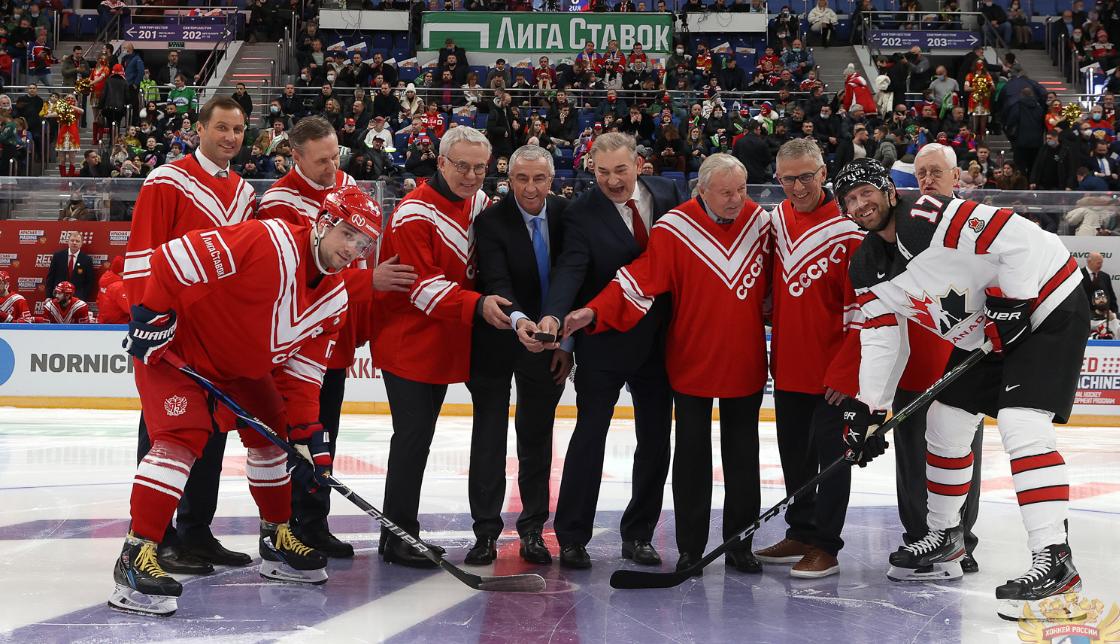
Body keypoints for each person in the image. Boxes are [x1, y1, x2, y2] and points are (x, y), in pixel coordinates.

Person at [835, 157, 1089, 621]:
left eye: (866, 192)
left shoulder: (928, 212)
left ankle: (1057, 563)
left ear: (889, 190)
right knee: (945, 418)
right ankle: (946, 541)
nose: (860, 204)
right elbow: (881, 338)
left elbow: (1018, 240)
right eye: (849, 200)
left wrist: (1012, 303)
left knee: (1021, 423)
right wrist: (869, 410)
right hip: (988, 331)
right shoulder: (866, 264)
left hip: (1049, 304)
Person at [110, 187, 383, 616]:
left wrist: (309, 435)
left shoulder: (334, 300)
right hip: (179, 350)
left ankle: (275, 535)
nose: (353, 249)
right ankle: (135, 552)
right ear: (323, 222)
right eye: (348, 234)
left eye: (363, 243)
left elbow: (302, 378)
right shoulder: (267, 240)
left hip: (241, 368)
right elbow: (172, 259)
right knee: (183, 440)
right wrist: (153, 314)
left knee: (273, 435)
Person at [562, 154, 769, 575]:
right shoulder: (675, 227)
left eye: (741, 190)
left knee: (744, 456)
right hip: (690, 359)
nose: (736, 200)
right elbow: (641, 278)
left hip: (745, 358)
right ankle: (690, 547)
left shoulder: (761, 223)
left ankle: (740, 543)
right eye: (726, 192)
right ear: (701, 190)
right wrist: (594, 311)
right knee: (691, 457)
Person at [256, 116, 418, 557]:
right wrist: (370, 285)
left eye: (336, 156)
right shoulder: (278, 203)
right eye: (322, 160)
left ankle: (314, 521)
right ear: (296, 156)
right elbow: (294, 280)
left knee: (325, 435)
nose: (333, 167)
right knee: (295, 435)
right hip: (297, 340)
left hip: (337, 333)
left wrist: (362, 314)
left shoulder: (345, 184)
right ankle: (285, 527)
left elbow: (360, 257)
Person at [532, 132, 685, 569]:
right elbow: (570, 270)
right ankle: (574, 537)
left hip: (661, 343)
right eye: (602, 172)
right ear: (590, 169)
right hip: (605, 341)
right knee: (589, 438)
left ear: (640, 165)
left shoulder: (669, 192)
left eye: (621, 170)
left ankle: (639, 535)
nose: (612, 180)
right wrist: (556, 319)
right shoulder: (581, 212)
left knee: (655, 440)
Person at [122, 97, 256, 576]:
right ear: (199, 129)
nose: (230, 137)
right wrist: (150, 323)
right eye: (221, 127)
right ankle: (153, 540)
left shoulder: (242, 191)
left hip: (218, 336)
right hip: (171, 333)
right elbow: (141, 256)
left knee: (213, 431)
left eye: (238, 129)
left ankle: (196, 532)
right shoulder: (166, 181)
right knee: (164, 434)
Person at [370, 126, 513, 568]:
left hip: (448, 340)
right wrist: (481, 303)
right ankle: (397, 536)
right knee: (413, 439)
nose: (471, 175)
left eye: (480, 168)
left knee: (419, 438)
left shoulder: (480, 204)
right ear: (442, 163)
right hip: (408, 342)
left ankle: (398, 533)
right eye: (462, 166)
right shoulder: (414, 213)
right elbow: (424, 290)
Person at [750, 139, 863, 578]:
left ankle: (826, 546)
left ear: (823, 173)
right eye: (787, 178)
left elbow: (863, 312)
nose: (797, 186)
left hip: (834, 371)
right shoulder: (777, 220)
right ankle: (801, 529)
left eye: (806, 176)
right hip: (789, 366)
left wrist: (847, 371)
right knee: (794, 456)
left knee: (833, 462)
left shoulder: (850, 230)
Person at [462, 145, 571, 566]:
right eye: (521, 179)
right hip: (496, 339)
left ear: (552, 178)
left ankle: (533, 530)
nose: (529, 187)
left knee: (536, 439)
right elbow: (496, 277)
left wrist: (564, 342)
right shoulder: (490, 220)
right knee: (488, 438)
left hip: (548, 346)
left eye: (538, 178)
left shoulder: (567, 215)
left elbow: (572, 277)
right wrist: (520, 320)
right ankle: (485, 532)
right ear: (508, 179)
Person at [896, 143, 985, 575]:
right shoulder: (901, 228)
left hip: (964, 366)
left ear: (956, 178)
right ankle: (918, 538)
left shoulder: (978, 228)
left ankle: (960, 540)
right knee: (912, 456)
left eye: (936, 172)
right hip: (913, 363)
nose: (927, 180)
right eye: (921, 173)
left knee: (962, 455)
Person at [45, 231, 95, 302]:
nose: (74, 243)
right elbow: (50, 277)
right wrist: (48, 296)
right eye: (72, 240)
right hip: (58, 297)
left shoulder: (87, 259)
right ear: (68, 242)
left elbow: (89, 282)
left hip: (77, 299)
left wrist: (83, 298)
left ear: (81, 244)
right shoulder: (58, 256)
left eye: (77, 241)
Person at [97, 256, 129, 324]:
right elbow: (128, 309)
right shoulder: (119, 286)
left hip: (103, 320)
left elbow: (98, 300)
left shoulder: (104, 278)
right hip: (118, 323)